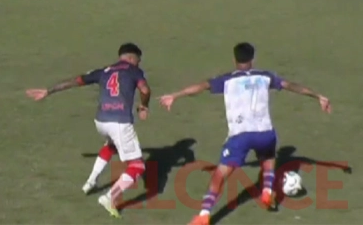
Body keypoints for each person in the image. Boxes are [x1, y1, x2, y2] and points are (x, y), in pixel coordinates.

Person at [158, 42, 332, 225]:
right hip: (265, 133)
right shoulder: (266, 76)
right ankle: (266, 191)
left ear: (234, 59)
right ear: (253, 58)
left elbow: (201, 86)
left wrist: (175, 95)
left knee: (219, 176)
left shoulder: (226, 80)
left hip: (241, 136)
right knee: (268, 157)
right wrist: (318, 96)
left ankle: (204, 214)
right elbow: (291, 85)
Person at [26, 43, 151, 218]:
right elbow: (145, 90)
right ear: (132, 58)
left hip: (101, 121)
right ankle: (110, 197)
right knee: (137, 166)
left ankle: (91, 181)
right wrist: (143, 106)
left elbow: (76, 81)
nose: (138, 64)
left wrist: (49, 91)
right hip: (119, 122)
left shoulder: (104, 71)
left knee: (111, 145)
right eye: (138, 60)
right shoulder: (134, 70)